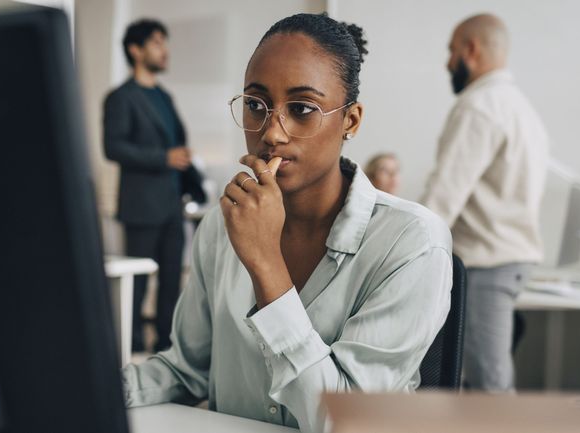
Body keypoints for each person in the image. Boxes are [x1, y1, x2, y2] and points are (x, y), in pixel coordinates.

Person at [122, 13, 452, 432]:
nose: (272, 134)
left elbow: (345, 422)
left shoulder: (411, 241)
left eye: (302, 109)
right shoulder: (222, 225)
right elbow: (185, 370)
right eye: (255, 105)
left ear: (350, 121)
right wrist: (83, 391)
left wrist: (266, 265)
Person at [420, 14, 549, 392]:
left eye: (451, 51)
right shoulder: (521, 108)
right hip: (505, 261)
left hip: (484, 265)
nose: (447, 63)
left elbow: (443, 196)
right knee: (485, 384)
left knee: (489, 388)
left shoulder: (479, 106)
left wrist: (402, 253)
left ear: (471, 50)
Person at [103, 19, 205, 353]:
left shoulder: (164, 96)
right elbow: (113, 147)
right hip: (141, 206)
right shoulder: (121, 98)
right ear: (136, 50)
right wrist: (164, 158)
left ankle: (166, 348)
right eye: (157, 43)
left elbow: (176, 144)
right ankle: (129, 347)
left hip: (172, 205)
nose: (165, 50)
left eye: (165, 42)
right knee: (136, 283)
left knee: (172, 282)